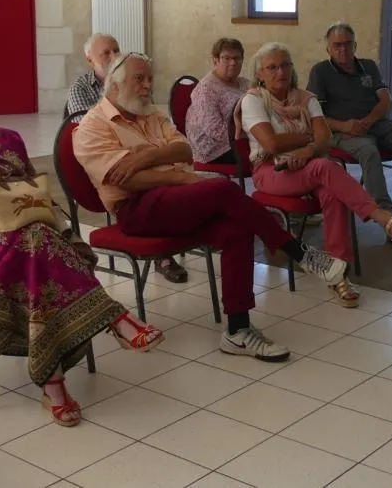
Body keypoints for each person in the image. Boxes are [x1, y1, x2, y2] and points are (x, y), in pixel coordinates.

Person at [0, 55, 164, 427]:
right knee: (36, 242)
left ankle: (53, 385)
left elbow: (35, 193)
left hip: (29, 238)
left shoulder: (7, 139)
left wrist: (9, 198)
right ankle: (114, 318)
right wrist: (15, 197)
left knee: (35, 248)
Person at [73, 52, 348, 361]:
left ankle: (238, 331)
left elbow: (184, 149)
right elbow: (125, 180)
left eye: (149, 78)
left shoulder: (150, 115)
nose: (148, 85)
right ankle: (298, 252)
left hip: (176, 200)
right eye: (140, 79)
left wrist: (146, 156)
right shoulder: (92, 126)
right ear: (115, 84)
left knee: (235, 228)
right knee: (221, 188)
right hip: (136, 210)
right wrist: (179, 177)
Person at [241, 43, 392, 304]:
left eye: (285, 65)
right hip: (271, 171)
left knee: (333, 191)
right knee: (326, 168)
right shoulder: (253, 100)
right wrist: (310, 139)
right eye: (272, 68)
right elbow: (271, 144)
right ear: (260, 74)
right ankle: (386, 219)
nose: (280, 72)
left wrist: (308, 150)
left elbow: (326, 139)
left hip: (310, 167)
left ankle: (338, 275)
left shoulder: (306, 98)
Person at [66, 32, 191, 283]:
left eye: (116, 50)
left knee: (222, 205)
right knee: (220, 195)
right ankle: (163, 257)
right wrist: (169, 166)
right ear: (90, 60)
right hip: (116, 180)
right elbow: (117, 162)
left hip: (152, 178)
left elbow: (181, 148)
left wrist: (148, 154)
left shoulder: (137, 91)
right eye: (106, 53)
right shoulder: (83, 94)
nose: (114, 56)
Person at [307, 22, 392, 222]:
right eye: (337, 45)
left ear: (355, 45)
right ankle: (385, 214)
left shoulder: (369, 66)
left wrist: (368, 121)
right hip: (343, 132)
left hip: (379, 125)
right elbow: (314, 115)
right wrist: (345, 126)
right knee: (369, 152)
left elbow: (386, 101)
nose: (343, 49)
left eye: (348, 44)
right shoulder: (320, 71)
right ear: (328, 49)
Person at [186, 38, 249, 165]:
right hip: (214, 148)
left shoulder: (245, 83)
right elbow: (214, 130)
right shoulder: (206, 88)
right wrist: (251, 135)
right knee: (268, 148)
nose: (233, 63)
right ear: (215, 60)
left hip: (241, 137)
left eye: (237, 58)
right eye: (227, 58)